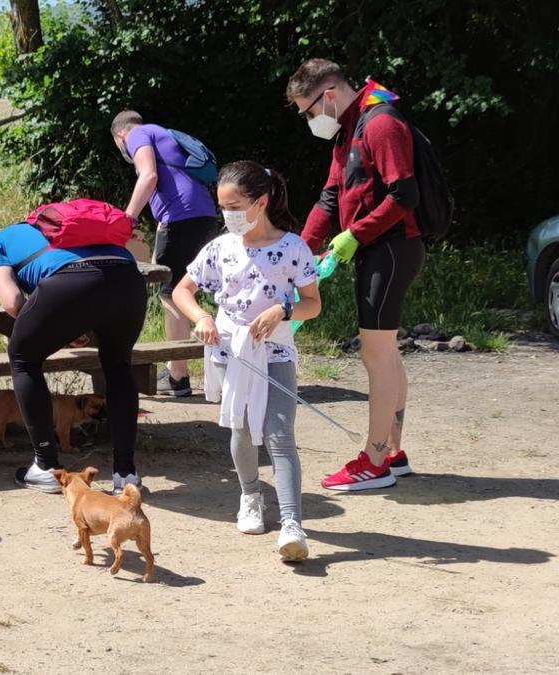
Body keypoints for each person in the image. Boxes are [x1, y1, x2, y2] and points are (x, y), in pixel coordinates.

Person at [172, 161, 321, 560]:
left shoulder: (291, 247)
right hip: (229, 352)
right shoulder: (220, 248)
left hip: (275, 353)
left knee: (278, 434)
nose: (229, 215)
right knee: (239, 428)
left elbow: (313, 304)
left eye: (235, 206)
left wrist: (282, 312)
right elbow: (182, 290)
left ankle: (292, 523)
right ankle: (250, 496)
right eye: (223, 207)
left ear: (261, 202)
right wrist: (201, 317)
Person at [287, 58, 424, 490]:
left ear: (328, 95)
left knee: (375, 354)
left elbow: (404, 193)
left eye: (308, 111)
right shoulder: (349, 129)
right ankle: (394, 452)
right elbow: (330, 198)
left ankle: (375, 460)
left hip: (392, 249)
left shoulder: (380, 124)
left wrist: (354, 237)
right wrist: (297, 252)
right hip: (375, 249)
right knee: (386, 353)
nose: (309, 120)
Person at [0, 218, 147, 495]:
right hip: (128, 280)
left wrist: (57, 324)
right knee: (119, 366)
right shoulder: (82, 227)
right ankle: (126, 474)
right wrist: (69, 322)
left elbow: (12, 302)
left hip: (68, 282)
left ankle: (46, 467)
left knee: (23, 357)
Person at [111, 110, 220, 397]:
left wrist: (128, 220)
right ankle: (193, 370)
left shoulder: (136, 134)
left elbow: (148, 176)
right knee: (184, 290)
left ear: (119, 136)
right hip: (204, 215)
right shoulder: (162, 133)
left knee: (170, 293)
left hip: (181, 219)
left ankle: (177, 377)